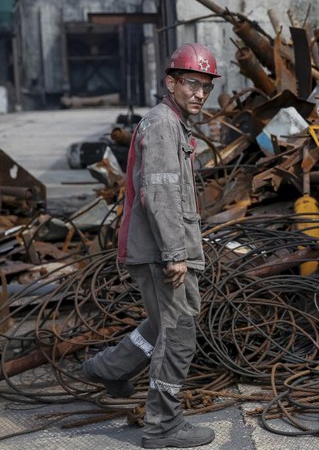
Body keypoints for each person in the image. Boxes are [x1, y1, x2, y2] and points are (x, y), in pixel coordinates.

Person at [82, 43, 221, 449]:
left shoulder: (173, 123)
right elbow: (158, 193)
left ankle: (107, 369)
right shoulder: (162, 125)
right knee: (178, 334)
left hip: (163, 248)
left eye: (206, 87)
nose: (199, 93)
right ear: (171, 83)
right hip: (163, 252)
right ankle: (163, 426)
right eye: (192, 84)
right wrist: (176, 253)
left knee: (162, 325)